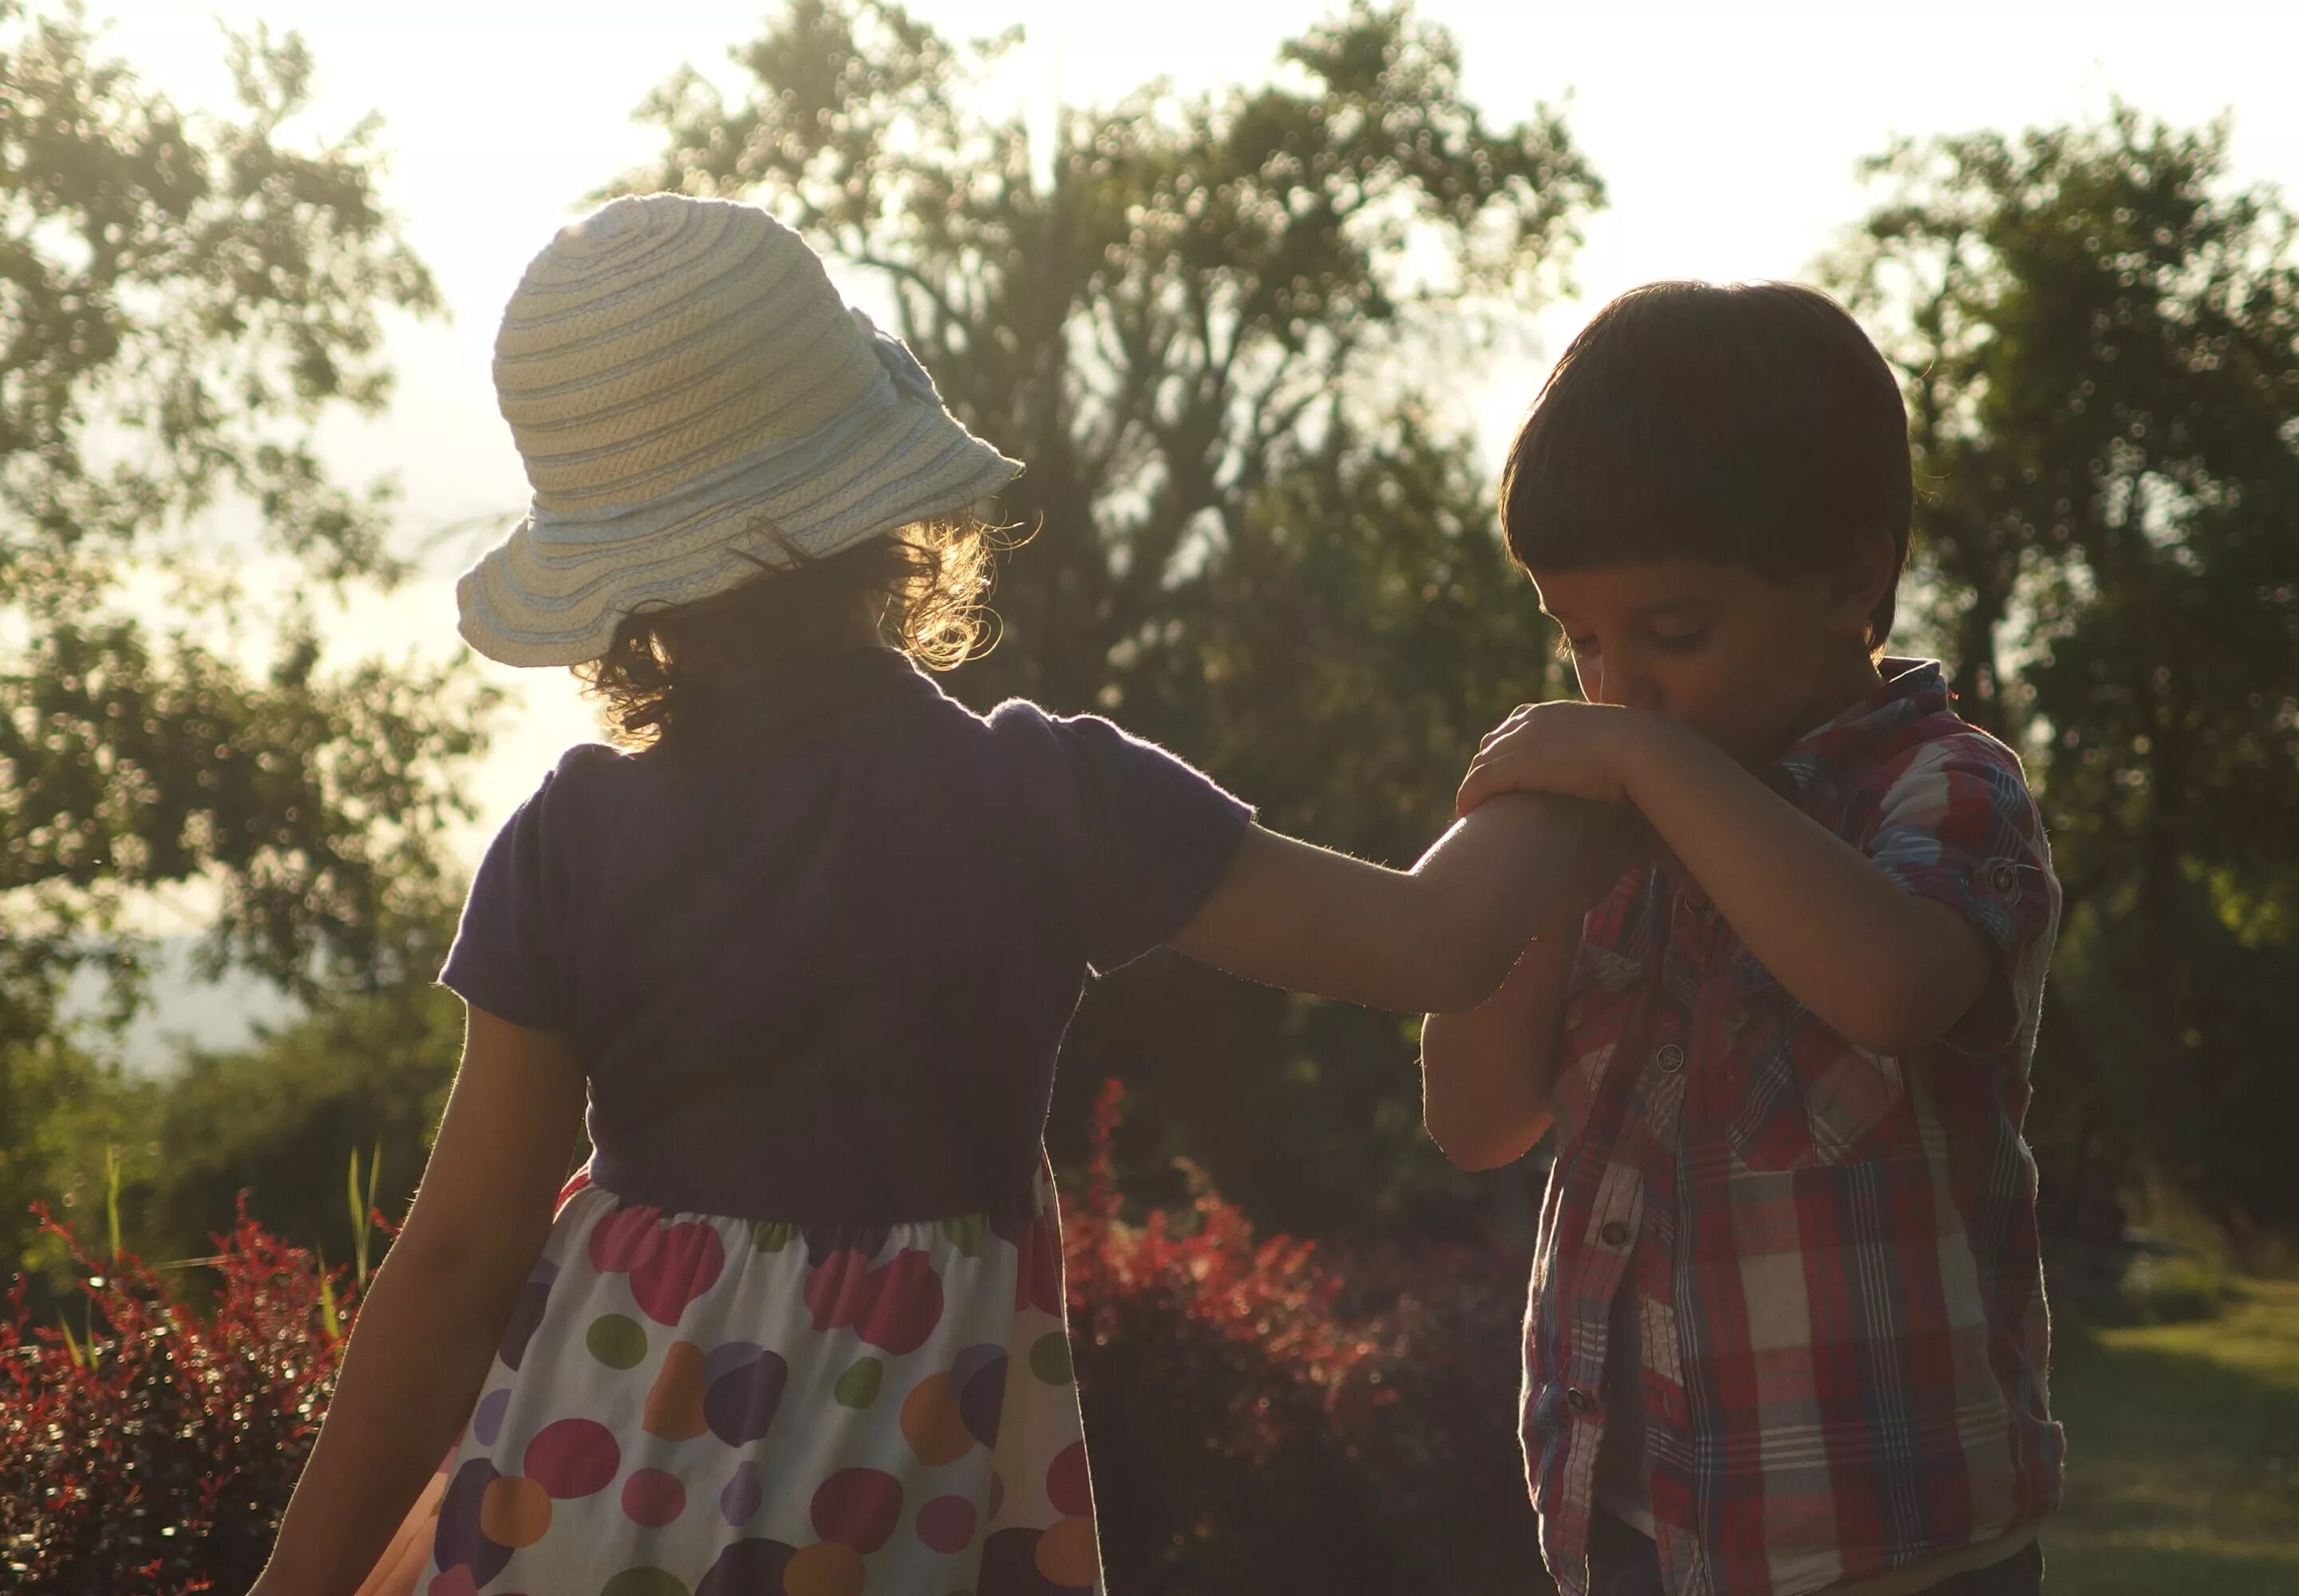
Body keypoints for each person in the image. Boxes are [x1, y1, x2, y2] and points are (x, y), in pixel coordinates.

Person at [244, 192, 1614, 1596]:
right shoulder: (1051, 804)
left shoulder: (575, 840)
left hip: (590, 1499)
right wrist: (1614, 750)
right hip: (899, 1511)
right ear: (890, 514)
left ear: (620, 588)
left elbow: (459, 1256)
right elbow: (1436, 943)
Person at [1427, 282, 2064, 1596]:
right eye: (1582, 640)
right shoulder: (1617, 820)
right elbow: (1476, 1119)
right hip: (1638, 1534)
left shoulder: (1941, 790)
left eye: (1673, 635)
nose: (1618, 690)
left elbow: (1893, 986)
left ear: (1851, 580)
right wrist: (1536, 881)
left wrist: (1649, 770)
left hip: (1898, 1548)